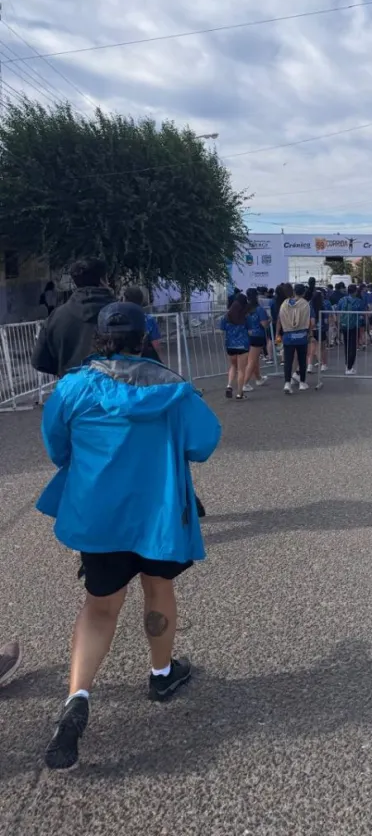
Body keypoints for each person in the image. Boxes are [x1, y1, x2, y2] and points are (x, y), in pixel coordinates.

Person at [38, 301, 221, 770]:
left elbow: (57, 448)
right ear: (144, 337)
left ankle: (77, 698)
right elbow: (203, 444)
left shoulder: (74, 387)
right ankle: (161, 674)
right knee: (158, 589)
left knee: (100, 606)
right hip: (159, 514)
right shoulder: (175, 389)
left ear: (100, 338)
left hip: (99, 516)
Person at [32, 258, 115, 377]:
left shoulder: (56, 316)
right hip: (114, 390)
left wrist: (66, 373)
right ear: (103, 280)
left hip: (71, 392)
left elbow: (39, 362)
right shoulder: (121, 313)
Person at [277, 284, 314, 393]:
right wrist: (310, 333)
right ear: (303, 293)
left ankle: (287, 383)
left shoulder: (284, 304)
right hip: (302, 336)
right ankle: (302, 382)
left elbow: (280, 318)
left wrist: (279, 332)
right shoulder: (306, 304)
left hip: (288, 336)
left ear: (294, 291)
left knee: (288, 361)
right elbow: (310, 322)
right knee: (302, 360)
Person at [219, 293, 251, 399]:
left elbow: (221, 329)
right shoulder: (246, 316)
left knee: (233, 366)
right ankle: (239, 393)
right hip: (243, 345)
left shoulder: (226, 316)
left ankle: (229, 385)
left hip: (230, 345)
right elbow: (250, 331)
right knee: (241, 370)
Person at [122, 286, 162, 362]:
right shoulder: (149, 319)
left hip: (124, 361)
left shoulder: (119, 318)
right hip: (145, 361)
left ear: (125, 299)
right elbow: (155, 345)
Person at [243, 289, 270, 388]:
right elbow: (264, 324)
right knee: (252, 361)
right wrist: (269, 320)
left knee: (254, 360)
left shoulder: (245, 309)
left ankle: (258, 378)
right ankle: (244, 384)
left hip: (247, 336)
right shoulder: (259, 309)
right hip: (258, 336)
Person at [337, 284, 364, 374]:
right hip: (354, 325)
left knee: (346, 345)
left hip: (344, 325)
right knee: (353, 346)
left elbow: (337, 311)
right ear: (355, 291)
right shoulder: (358, 301)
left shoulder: (342, 300)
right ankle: (349, 367)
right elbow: (362, 313)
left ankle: (347, 364)